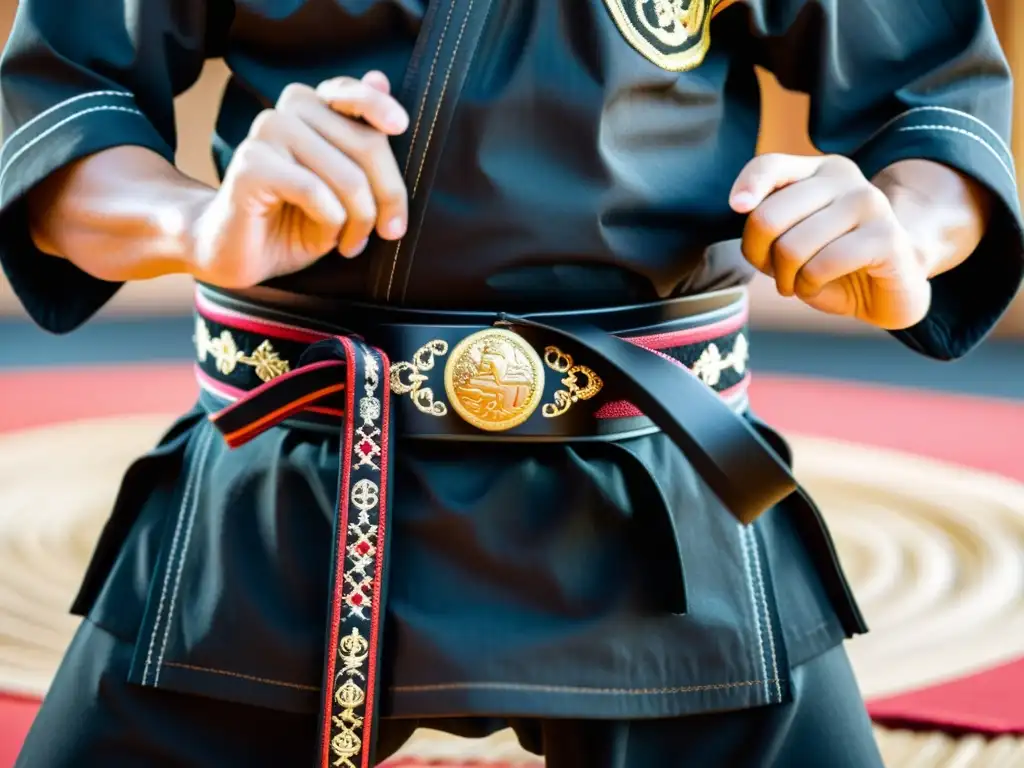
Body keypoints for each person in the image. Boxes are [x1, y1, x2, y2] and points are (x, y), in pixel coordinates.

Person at [2, 0, 1020, 765]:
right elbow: (62, 112)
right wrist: (198, 222)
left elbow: (932, 105)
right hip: (296, 471)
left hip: (658, 489)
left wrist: (903, 231)